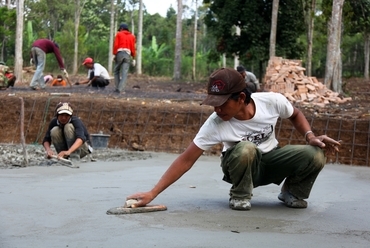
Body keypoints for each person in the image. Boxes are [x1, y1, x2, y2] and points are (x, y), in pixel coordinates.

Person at [127, 68, 341, 211]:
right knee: (247, 148)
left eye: (221, 103)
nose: (217, 109)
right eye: (213, 103)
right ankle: (240, 195)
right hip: (240, 165)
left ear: (240, 98)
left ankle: (291, 192)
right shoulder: (215, 122)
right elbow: (186, 159)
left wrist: (310, 136)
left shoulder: (272, 101)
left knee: (315, 153)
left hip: (271, 160)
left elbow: (295, 114)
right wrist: (152, 193)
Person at [113, 23, 136, 93]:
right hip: (127, 54)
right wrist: (134, 57)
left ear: (121, 29)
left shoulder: (119, 34)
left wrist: (114, 54)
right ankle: (121, 89)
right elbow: (133, 48)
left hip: (119, 53)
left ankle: (117, 87)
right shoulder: (132, 36)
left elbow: (116, 45)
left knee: (116, 70)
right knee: (124, 73)